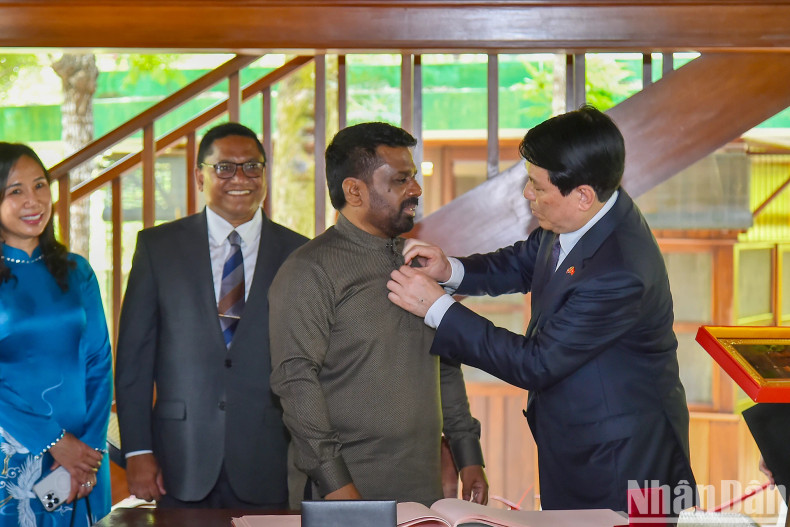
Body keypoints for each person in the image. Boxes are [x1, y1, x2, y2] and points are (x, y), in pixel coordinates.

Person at [387, 106, 697, 513]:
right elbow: (522, 261)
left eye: (537, 186)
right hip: (580, 438)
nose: (527, 195)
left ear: (583, 195)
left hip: (623, 460)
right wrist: (452, 270)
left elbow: (535, 363)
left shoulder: (619, 272)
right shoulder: (584, 217)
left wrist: (439, 310)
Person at [269, 122, 488, 507]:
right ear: (355, 190)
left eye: (414, 178)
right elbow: (295, 381)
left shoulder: (420, 261)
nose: (416, 189)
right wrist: (337, 486)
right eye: (401, 180)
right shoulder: (310, 270)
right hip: (344, 492)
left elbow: (445, 365)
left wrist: (467, 454)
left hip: (422, 491)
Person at [115, 122, 307, 509]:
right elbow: (135, 359)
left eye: (252, 166)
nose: (240, 178)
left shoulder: (299, 253)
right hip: (178, 458)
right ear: (199, 177)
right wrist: (137, 451)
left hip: (269, 458)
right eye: (224, 167)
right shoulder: (157, 247)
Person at [0, 143, 111, 526]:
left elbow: (99, 362)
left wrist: (88, 452)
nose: (33, 201)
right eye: (15, 191)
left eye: (40, 186)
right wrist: (54, 441)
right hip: (12, 453)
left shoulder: (77, 270)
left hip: (83, 457)